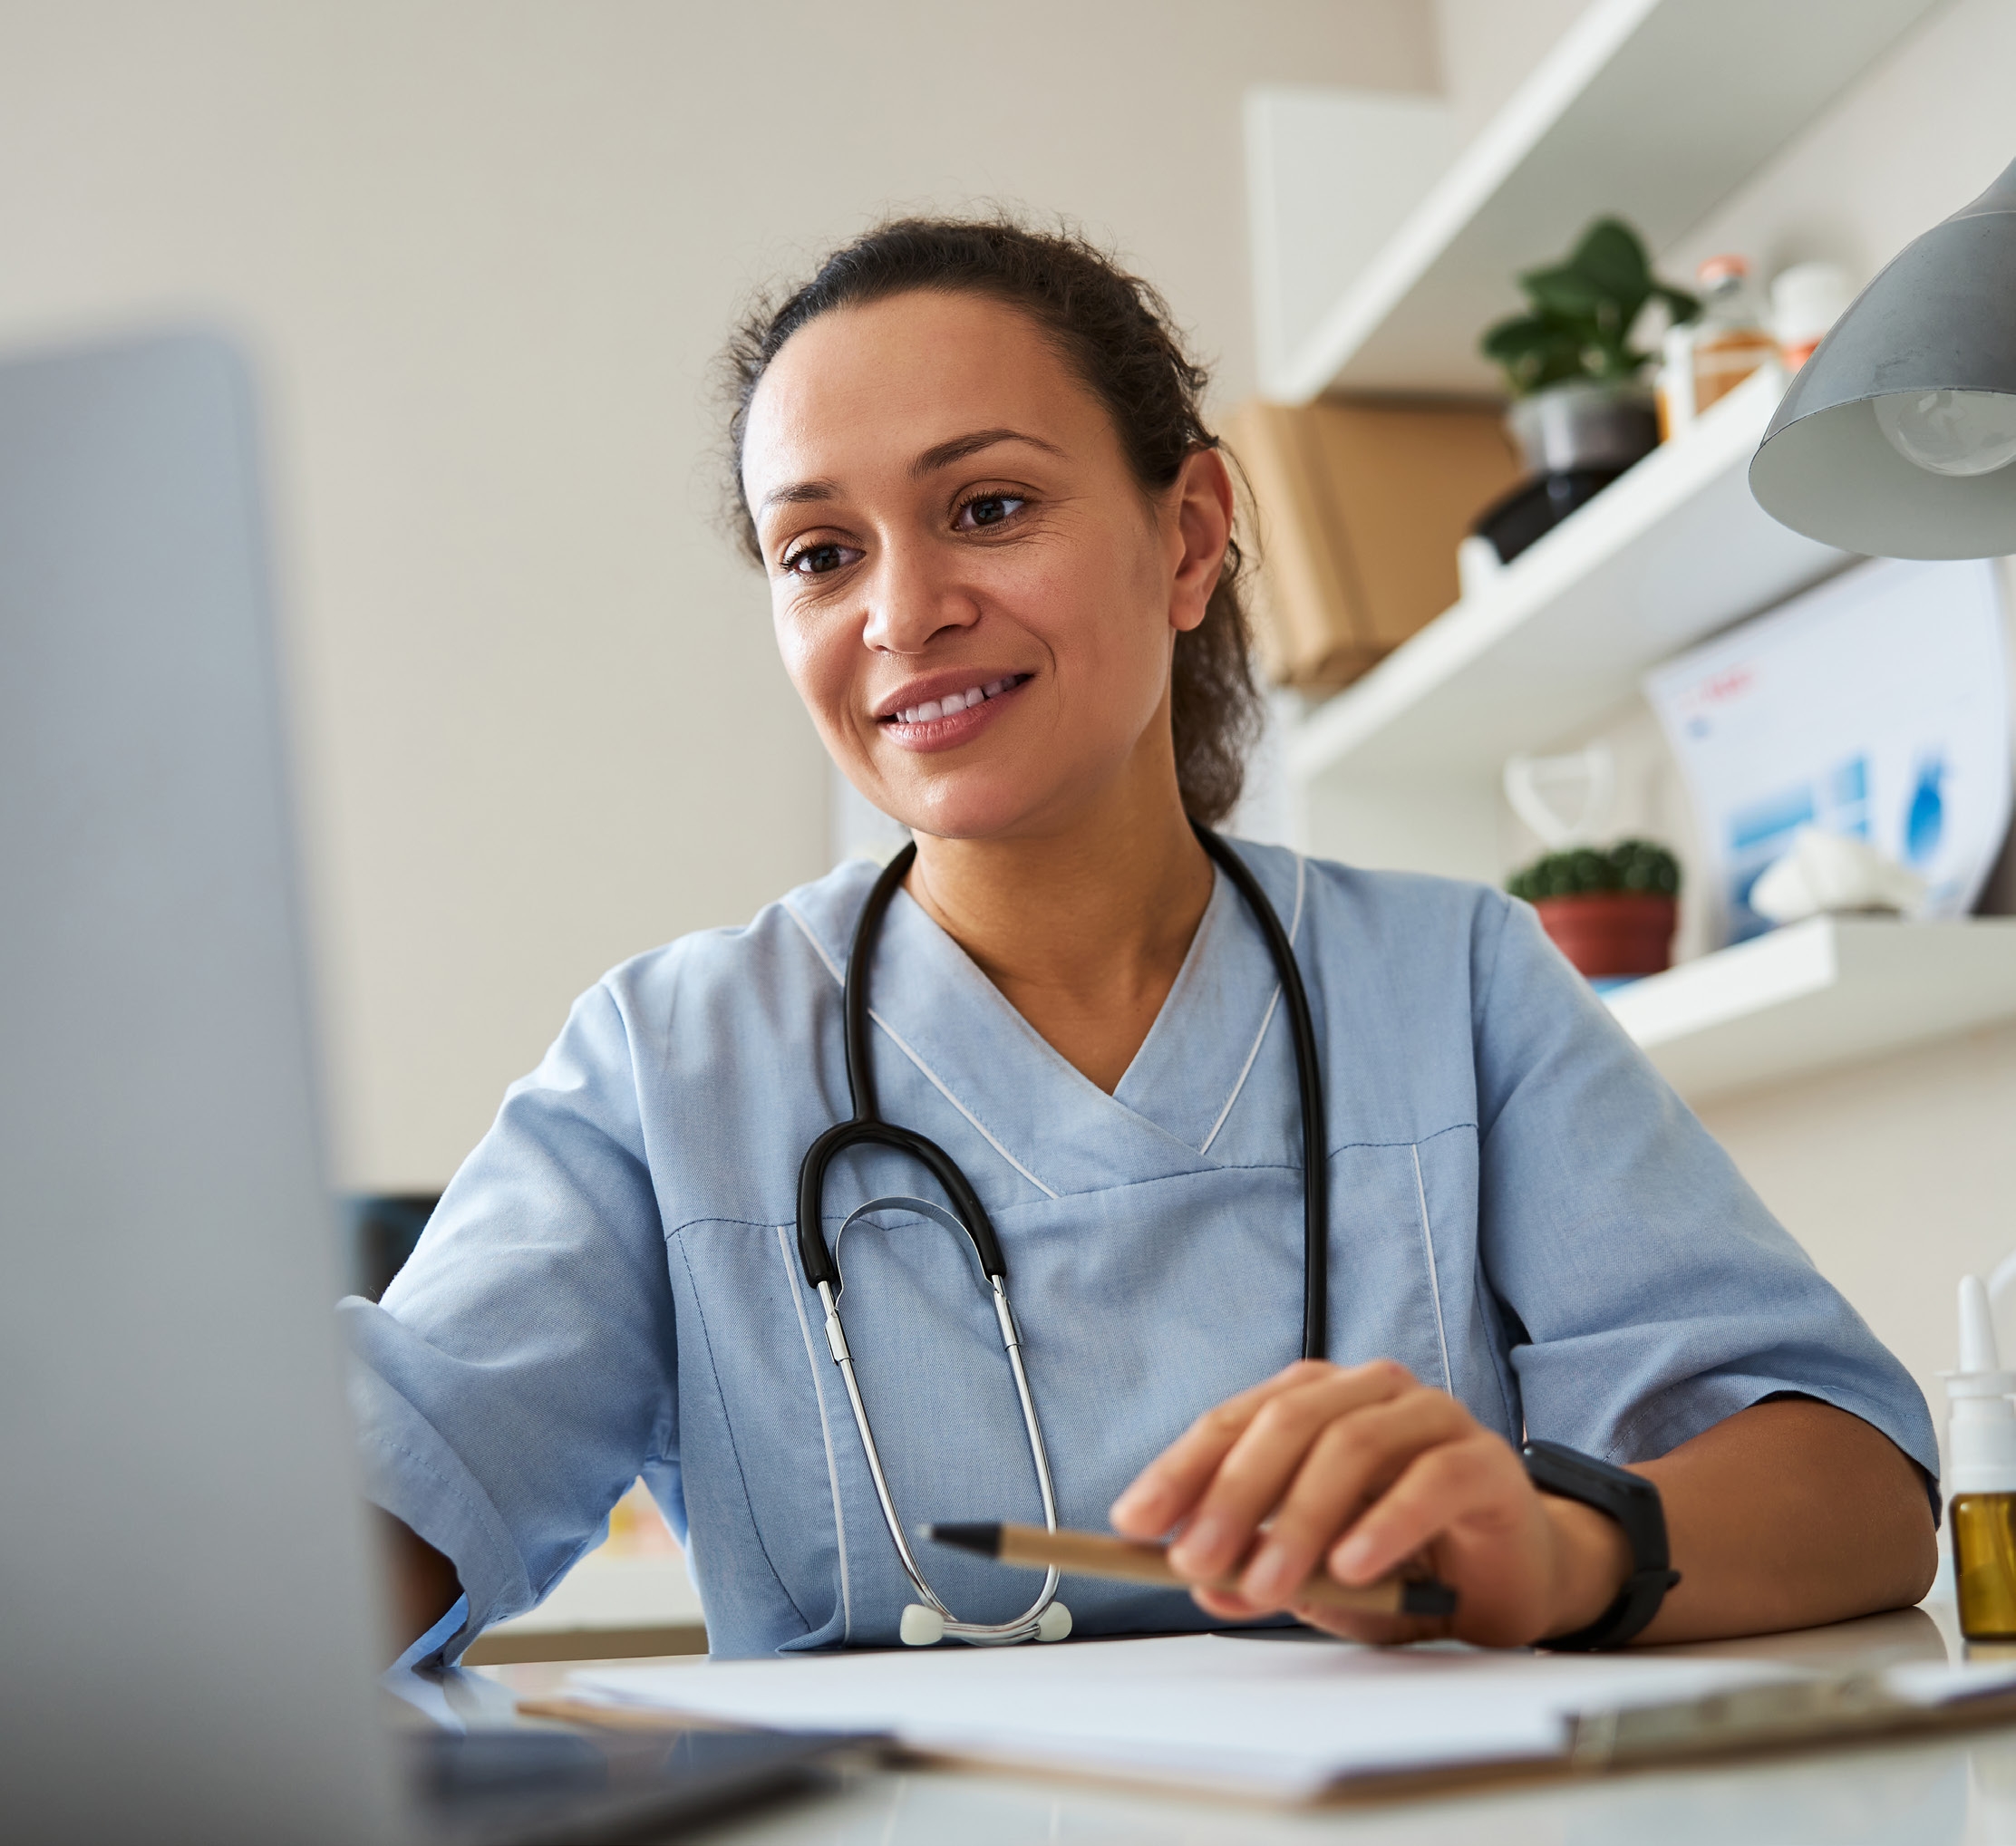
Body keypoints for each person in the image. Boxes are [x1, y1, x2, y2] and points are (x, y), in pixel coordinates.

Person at [347, 216, 1937, 1666]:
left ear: (1186, 539)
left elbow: (1856, 1484)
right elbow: (378, 1513)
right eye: (820, 553)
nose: (901, 611)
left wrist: (1558, 1547)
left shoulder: (1453, 985)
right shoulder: (669, 1065)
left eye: (988, 507)